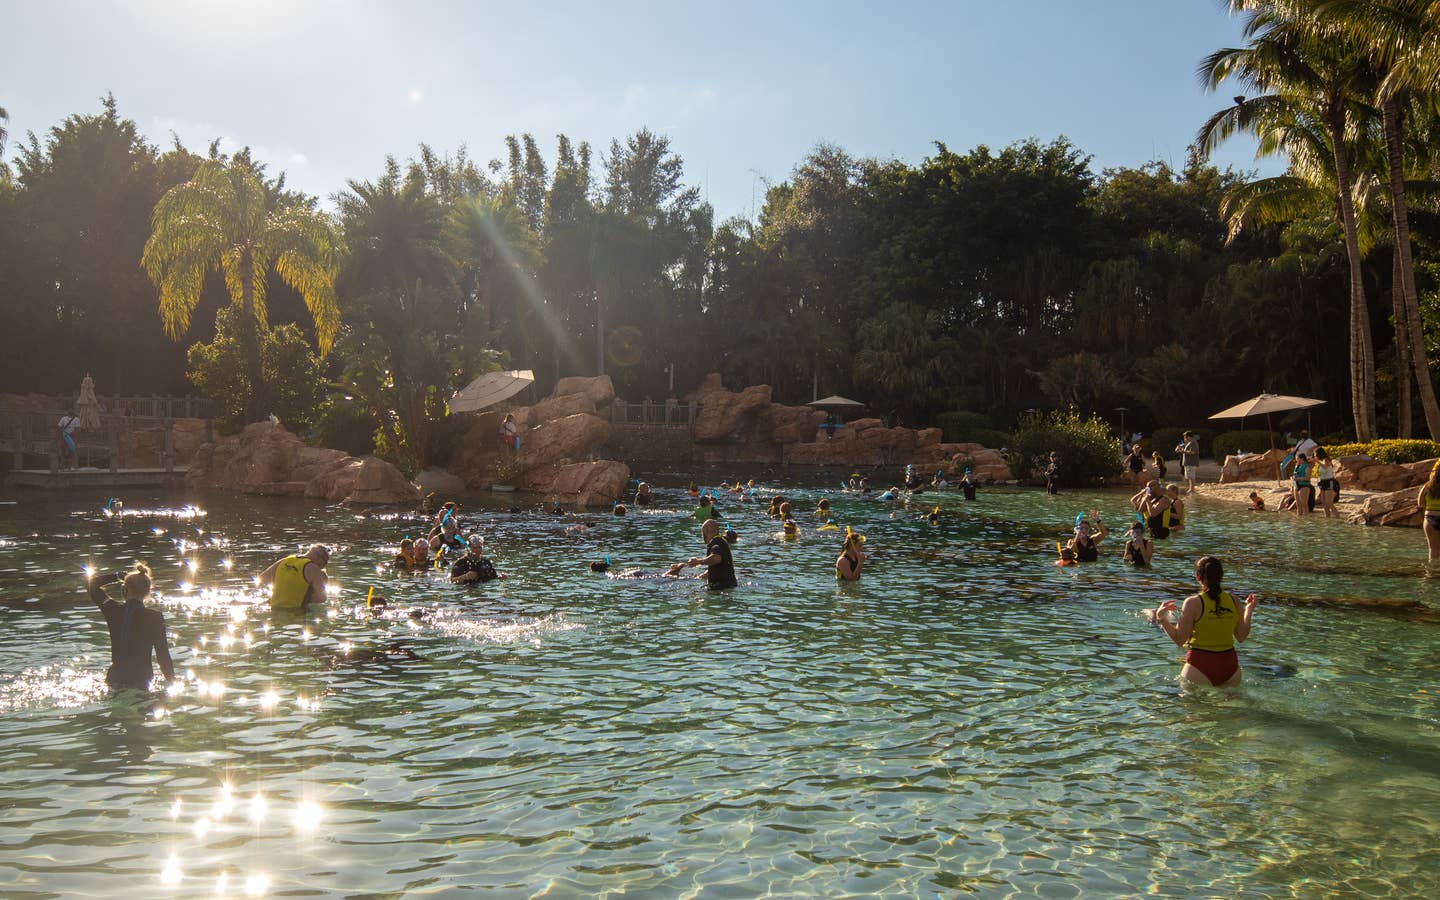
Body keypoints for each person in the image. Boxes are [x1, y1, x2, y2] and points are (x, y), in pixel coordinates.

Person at [1148, 556, 1258, 688]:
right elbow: (1241, 636)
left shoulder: (1193, 602)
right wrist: (1249, 609)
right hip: (1230, 667)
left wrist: (1162, 618)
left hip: (1199, 666)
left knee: (1192, 707)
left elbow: (1179, 640)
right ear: (1221, 576)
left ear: (1197, 576)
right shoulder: (1234, 600)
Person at [86, 563, 175, 690]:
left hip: (115, 679)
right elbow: (163, 656)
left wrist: (117, 576)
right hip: (142, 681)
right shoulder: (155, 618)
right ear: (148, 592)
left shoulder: (112, 610)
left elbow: (91, 585)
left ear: (125, 590)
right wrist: (173, 683)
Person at [668, 518, 736, 589]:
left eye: (704, 533)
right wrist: (700, 576)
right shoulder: (721, 541)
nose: (703, 536)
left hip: (722, 587)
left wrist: (699, 561)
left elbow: (716, 558)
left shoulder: (716, 542)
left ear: (707, 533)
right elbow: (720, 566)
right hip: (727, 585)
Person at [259, 545, 330, 609]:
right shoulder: (313, 568)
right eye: (325, 563)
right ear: (320, 559)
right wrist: (306, 597)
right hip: (295, 612)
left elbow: (262, 579)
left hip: (273, 607)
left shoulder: (285, 560)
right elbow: (322, 598)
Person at [1417, 463, 1440, 563]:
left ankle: (1430, 574)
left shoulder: (1427, 486)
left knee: (1433, 549)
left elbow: (1420, 504)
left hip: (1430, 518)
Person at [1314, 447, 1340, 518]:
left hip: (1329, 482)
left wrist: (1316, 461)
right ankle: (1327, 518)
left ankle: (1338, 518)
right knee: (1324, 503)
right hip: (1323, 482)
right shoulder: (1321, 461)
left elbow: (1325, 467)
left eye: (1315, 455)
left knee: (1329, 503)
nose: (1315, 456)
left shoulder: (1326, 459)